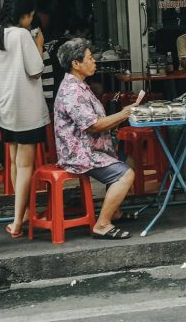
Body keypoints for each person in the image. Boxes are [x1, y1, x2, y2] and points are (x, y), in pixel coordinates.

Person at [53, 39, 135, 240]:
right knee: (126, 174)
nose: (94, 61)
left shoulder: (80, 85)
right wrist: (123, 115)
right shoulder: (72, 90)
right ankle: (102, 224)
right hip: (81, 152)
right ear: (76, 64)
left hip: (91, 146)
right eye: (90, 58)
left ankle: (114, 212)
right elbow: (92, 125)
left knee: (127, 156)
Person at [0, 0, 50, 239]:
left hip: (6, 110)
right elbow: (36, 70)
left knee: (14, 162)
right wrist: (39, 45)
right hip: (27, 110)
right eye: (30, 16)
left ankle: (21, 213)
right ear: (24, 15)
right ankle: (17, 222)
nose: (31, 20)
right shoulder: (23, 35)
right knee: (25, 166)